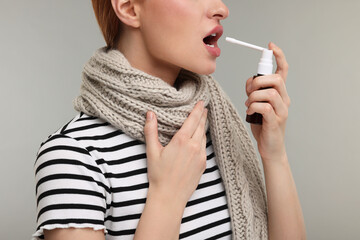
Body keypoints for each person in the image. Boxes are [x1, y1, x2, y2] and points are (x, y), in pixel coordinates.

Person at [33, 0, 306, 239]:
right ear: (129, 8)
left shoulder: (217, 128)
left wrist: (273, 154)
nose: (222, 8)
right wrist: (167, 199)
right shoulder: (74, 157)